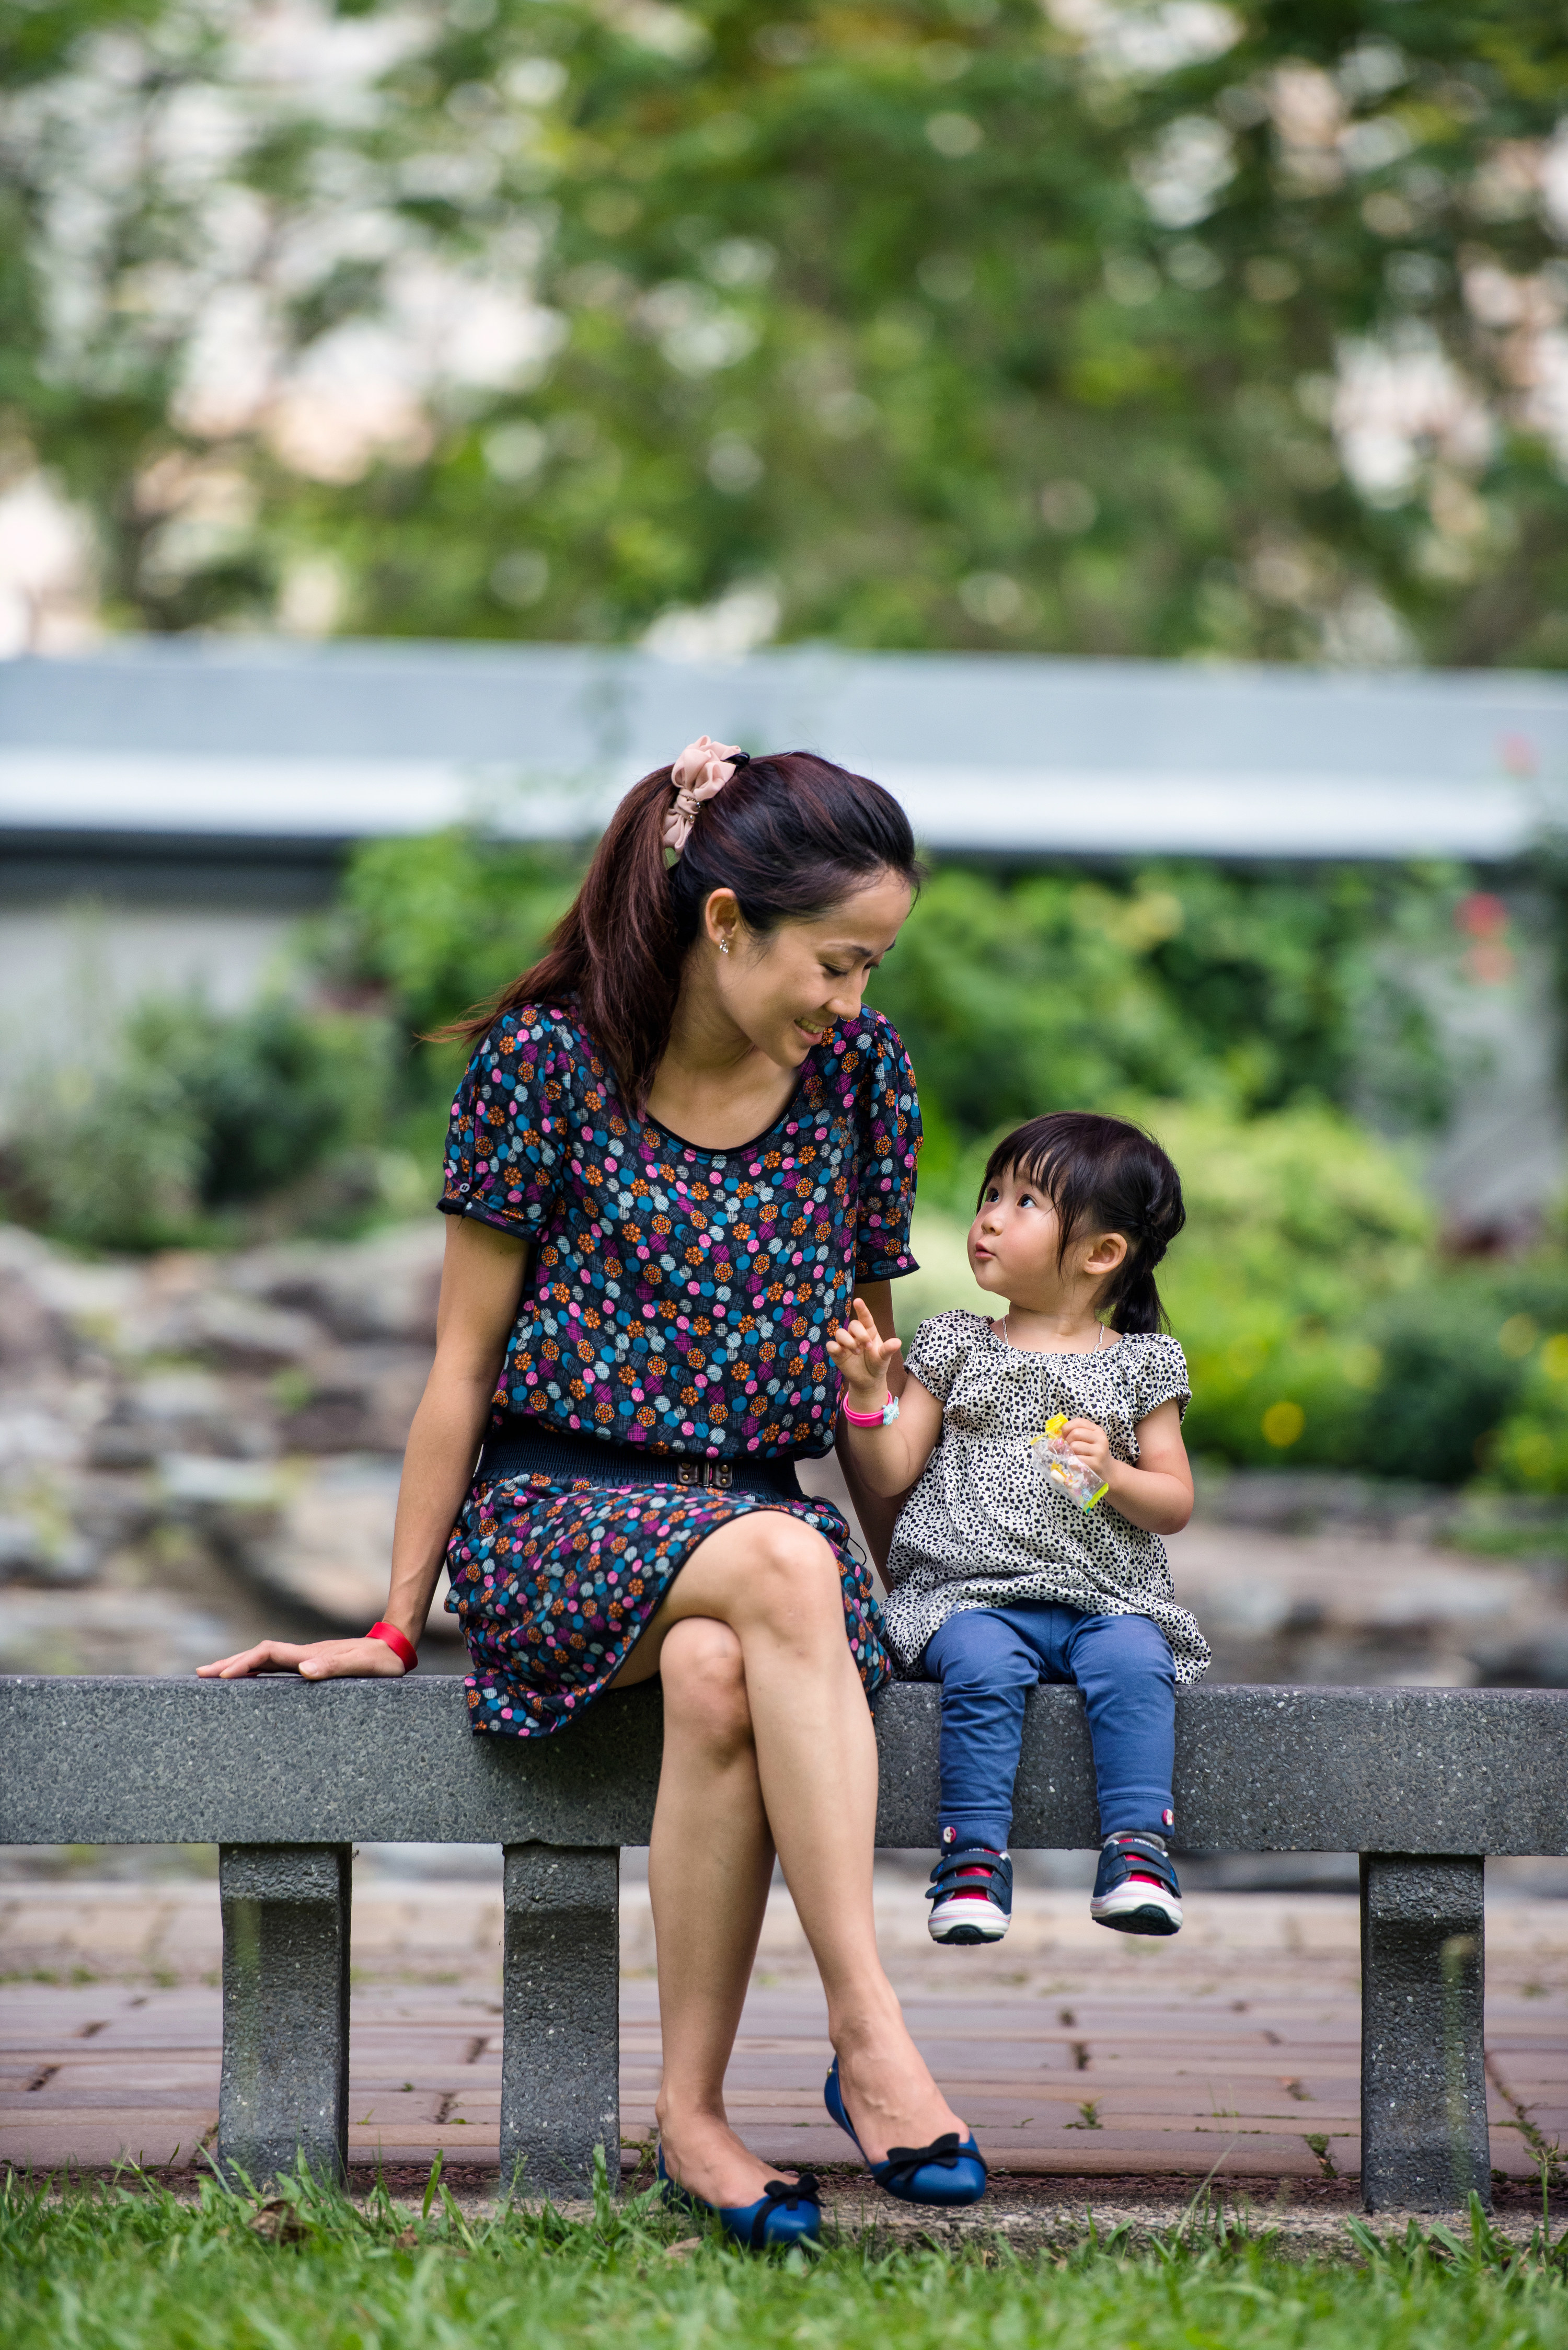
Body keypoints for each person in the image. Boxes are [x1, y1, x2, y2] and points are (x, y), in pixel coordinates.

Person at [200, 737, 986, 2246]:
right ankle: (870, 2035)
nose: (854, 1003)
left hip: (762, 1542)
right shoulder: (548, 1066)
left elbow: (865, 1383)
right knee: (775, 1573)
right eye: (838, 962)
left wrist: (935, 1585)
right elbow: (461, 1366)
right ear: (726, 922)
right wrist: (389, 1620)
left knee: (720, 1661)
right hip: (558, 1522)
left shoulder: (860, 1085)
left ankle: (691, 2120)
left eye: (874, 970)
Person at [827, 1110, 1206, 1951]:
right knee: (982, 1667)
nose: (989, 1217)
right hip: (971, 1596)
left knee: (1137, 1660)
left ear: (1102, 1253)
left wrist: (1113, 1475)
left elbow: (1174, 1502)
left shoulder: (1140, 1364)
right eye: (990, 1194)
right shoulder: (958, 1344)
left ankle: (1139, 1851)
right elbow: (890, 1470)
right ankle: (971, 1862)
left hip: (1105, 1597)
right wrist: (864, 1393)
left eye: (1025, 1202)